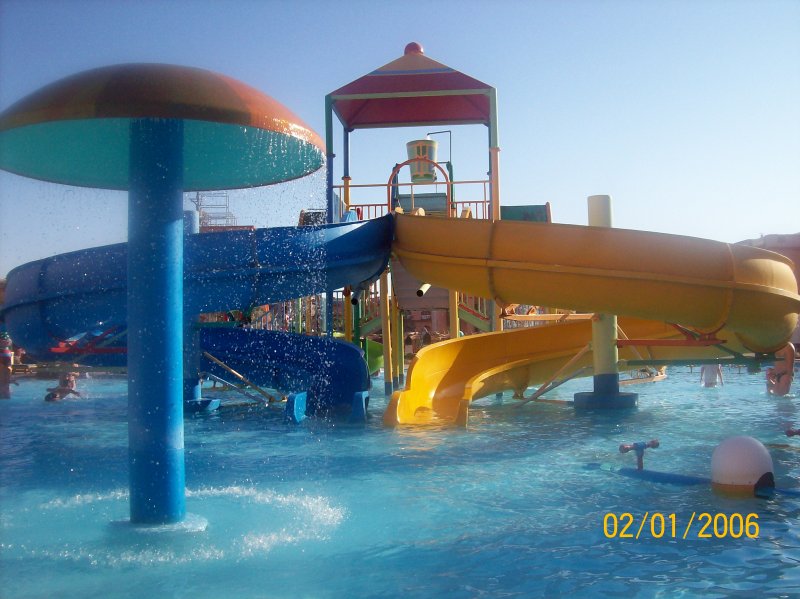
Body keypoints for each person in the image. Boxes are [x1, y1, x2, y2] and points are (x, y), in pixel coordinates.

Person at [0, 331, 13, 399]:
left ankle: (5, 393)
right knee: (4, 383)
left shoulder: (7, 351)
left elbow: (8, 363)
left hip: (6, 369)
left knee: (5, 384)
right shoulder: (5, 351)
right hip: (4, 369)